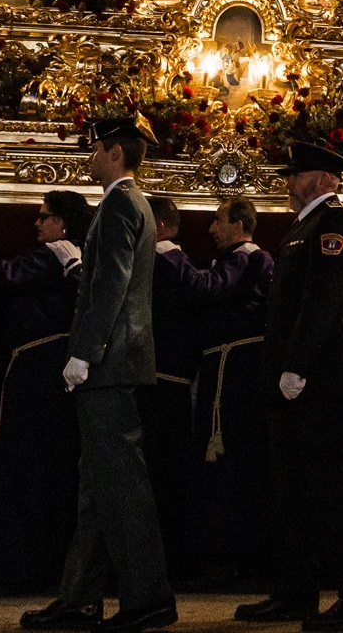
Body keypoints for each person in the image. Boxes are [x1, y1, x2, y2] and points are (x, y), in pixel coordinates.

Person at [20, 115, 174, 633]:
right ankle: (81, 597)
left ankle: (149, 598)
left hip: (109, 361)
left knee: (122, 487)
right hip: (114, 359)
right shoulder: (132, 204)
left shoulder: (120, 204)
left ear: (113, 153)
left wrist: (85, 351)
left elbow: (109, 283)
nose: (87, 158)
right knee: (98, 487)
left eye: (93, 150)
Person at [234, 141, 343, 631]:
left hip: (316, 378)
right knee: (291, 491)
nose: (289, 183)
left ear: (322, 179)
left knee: (333, 492)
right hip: (289, 377)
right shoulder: (305, 225)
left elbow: (323, 301)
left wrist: (297, 365)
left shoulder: (334, 223)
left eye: (297, 175)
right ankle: (295, 592)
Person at [0, 190, 90, 591]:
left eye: (45, 216)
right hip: (49, 370)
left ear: (63, 224)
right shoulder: (72, 256)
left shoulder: (56, 253)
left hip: (38, 371)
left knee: (27, 465)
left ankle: (18, 567)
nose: (37, 223)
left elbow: (1, 276)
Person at [176, 197, 274, 578]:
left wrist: (171, 256)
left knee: (234, 461)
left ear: (238, 224)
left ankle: (235, 553)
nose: (211, 230)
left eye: (218, 221)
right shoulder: (244, 260)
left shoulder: (246, 258)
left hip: (237, 373)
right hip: (227, 367)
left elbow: (208, 289)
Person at [144, 194, 195, 572]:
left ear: (159, 226)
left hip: (160, 379)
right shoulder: (171, 262)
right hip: (167, 379)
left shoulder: (164, 260)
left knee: (159, 472)